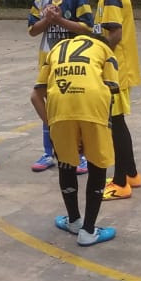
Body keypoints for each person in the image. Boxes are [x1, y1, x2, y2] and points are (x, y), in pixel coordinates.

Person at [30, 32, 120, 247]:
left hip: (59, 107)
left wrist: (53, 126)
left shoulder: (56, 49)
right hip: (92, 104)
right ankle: (88, 231)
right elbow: (110, 91)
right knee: (97, 164)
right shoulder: (105, 50)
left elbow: (35, 96)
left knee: (66, 163)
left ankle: (74, 221)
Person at [27, 0, 94, 173]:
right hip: (48, 62)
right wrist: (47, 20)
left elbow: (87, 28)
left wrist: (61, 21)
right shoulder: (41, 0)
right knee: (40, 99)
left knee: (72, 107)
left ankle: (80, 154)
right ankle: (50, 151)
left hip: (71, 63)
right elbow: (32, 30)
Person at [85, 0, 141, 200]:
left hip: (115, 72)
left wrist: (98, 60)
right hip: (117, 69)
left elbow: (115, 34)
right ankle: (131, 174)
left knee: (115, 125)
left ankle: (120, 183)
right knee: (117, 123)